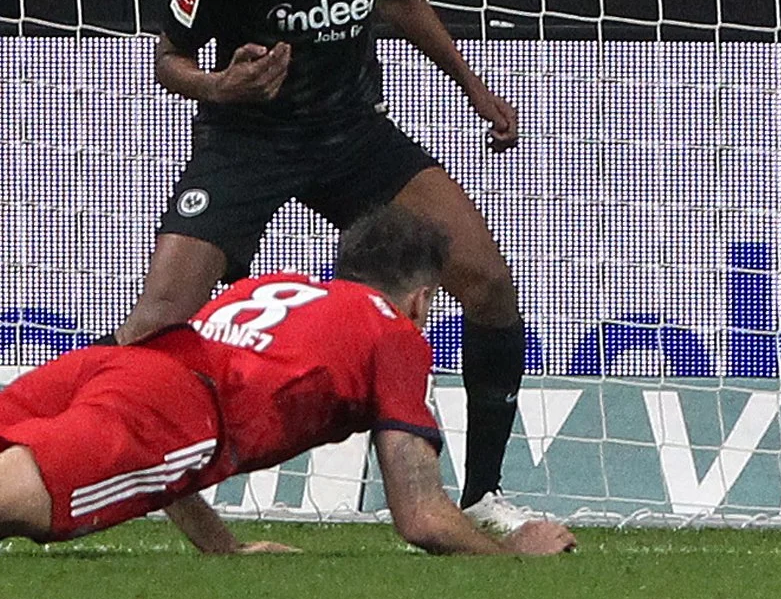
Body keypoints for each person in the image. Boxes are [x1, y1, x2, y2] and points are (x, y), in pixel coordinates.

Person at [115, 0, 532, 530]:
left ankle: (484, 496)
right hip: (250, 139)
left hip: (351, 134)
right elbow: (169, 59)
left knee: (489, 283)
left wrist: (473, 86)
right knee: (159, 319)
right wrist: (221, 86)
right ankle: (64, 455)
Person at [0, 206, 576, 555]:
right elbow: (421, 515)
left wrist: (222, 547)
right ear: (422, 299)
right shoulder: (394, 331)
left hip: (110, 365)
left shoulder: (272, 287)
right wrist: (510, 552)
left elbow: (163, 460)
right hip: (171, 406)